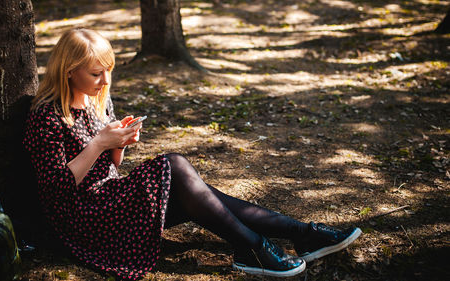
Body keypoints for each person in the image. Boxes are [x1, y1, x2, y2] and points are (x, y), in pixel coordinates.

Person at [23, 28, 361, 280]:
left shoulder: (98, 99)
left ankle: (296, 235)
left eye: (109, 70)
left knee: (204, 196)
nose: (105, 80)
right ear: (69, 71)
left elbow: (111, 169)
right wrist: (98, 143)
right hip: (84, 218)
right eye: (97, 73)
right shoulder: (47, 115)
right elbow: (56, 189)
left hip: (114, 199)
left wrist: (117, 145)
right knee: (176, 166)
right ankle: (264, 245)